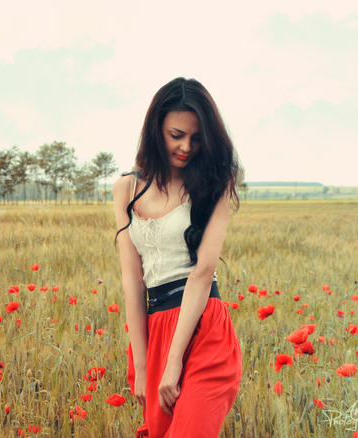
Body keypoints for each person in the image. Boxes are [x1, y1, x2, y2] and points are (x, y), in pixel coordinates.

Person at [113, 77, 242, 437]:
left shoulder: (215, 183)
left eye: (196, 137)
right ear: (156, 129)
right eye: (176, 135)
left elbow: (203, 273)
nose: (186, 146)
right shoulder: (126, 188)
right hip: (155, 331)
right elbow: (131, 281)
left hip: (203, 329)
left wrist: (174, 361)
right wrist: (141, 363)